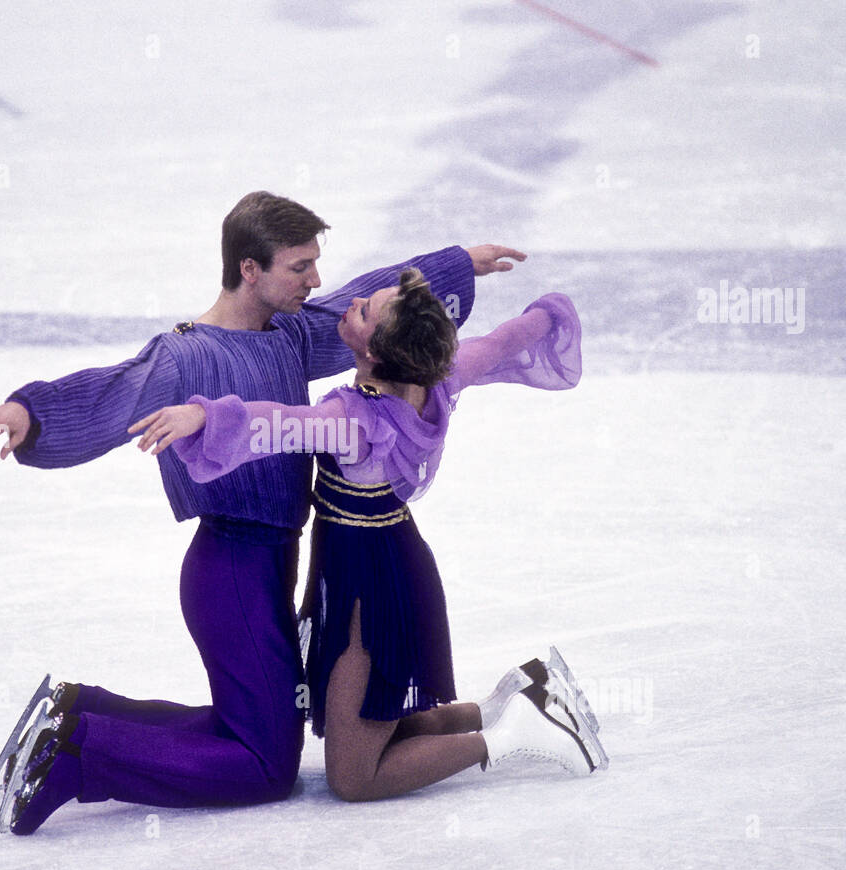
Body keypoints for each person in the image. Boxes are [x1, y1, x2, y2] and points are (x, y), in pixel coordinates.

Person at [0, 190, 527, 832]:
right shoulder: (185, 356)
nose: (315, 282)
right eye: (299, 267)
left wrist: (453, 266)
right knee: (264, 763)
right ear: (249, 269)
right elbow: (110, 391)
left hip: (271, 565)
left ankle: (78, 710)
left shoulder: (288, 334)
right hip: (230, 568)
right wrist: (29, 413)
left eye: (315, 264)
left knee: (254, 725)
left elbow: (363, 308)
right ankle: (78, 755)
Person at [130, 269, 607, 802]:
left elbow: (278, 424)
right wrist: (546, 316)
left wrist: (202, 415)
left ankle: (513, 734)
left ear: (377, 352)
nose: (352, 304)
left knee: (355, 778)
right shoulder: (441, 375)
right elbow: (498, 345)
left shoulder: (354, 422)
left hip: (370, 589)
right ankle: (508, 703)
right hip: (393, 559)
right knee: (366, 724)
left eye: (363, 312)